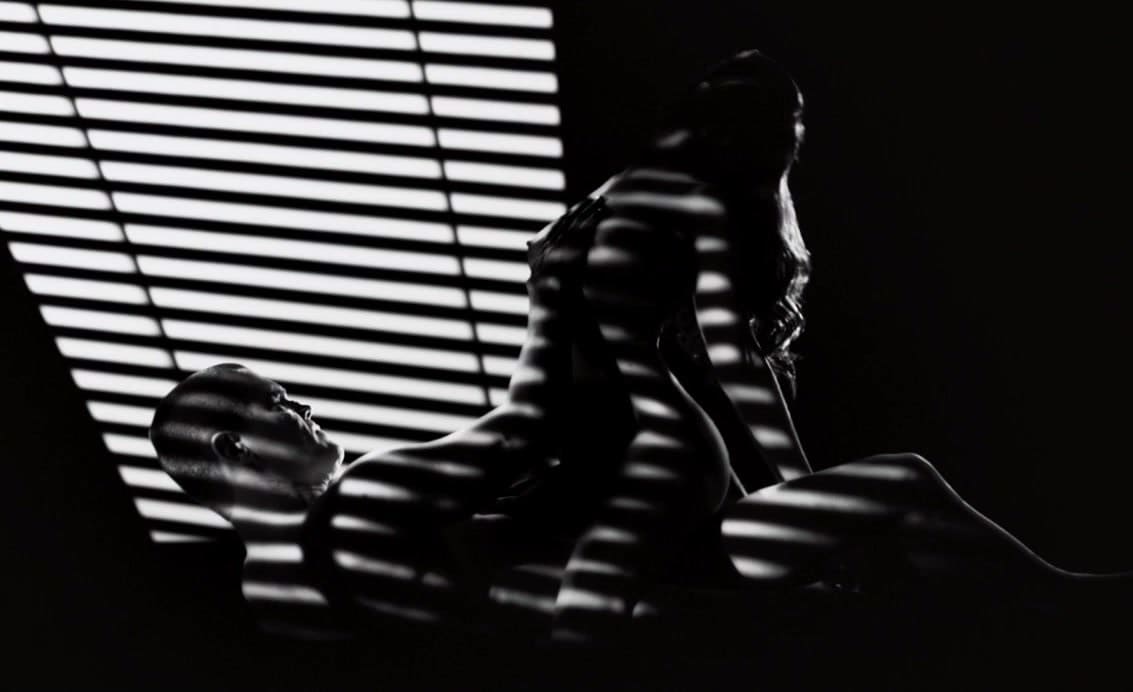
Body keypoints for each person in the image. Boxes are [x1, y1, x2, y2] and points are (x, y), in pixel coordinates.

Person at [149, 50, 1124, 644]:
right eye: (281, 402)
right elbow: (523, 430)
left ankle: (1050, 612)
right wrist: (546, 294)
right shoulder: (352, 506)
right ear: (233, 446)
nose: (306, 408)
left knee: (895, 496)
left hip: (669, 558)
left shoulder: (285, 571)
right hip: (665, 583)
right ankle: (1061, 619)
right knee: (892, 522)